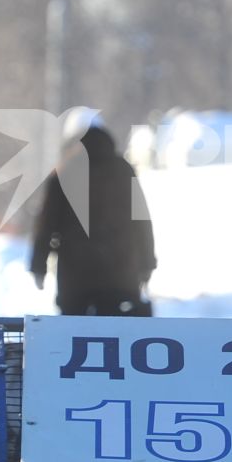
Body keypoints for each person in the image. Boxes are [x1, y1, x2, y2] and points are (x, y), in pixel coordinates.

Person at [30, 109, 157, 316]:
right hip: (121, 274)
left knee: (76, 339)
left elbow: (46, 224)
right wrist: (147, 262)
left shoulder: (64, 172)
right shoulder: (123, 170)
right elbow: (141, 220)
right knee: (118, 339)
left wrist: (38, 265)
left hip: (76, 277)